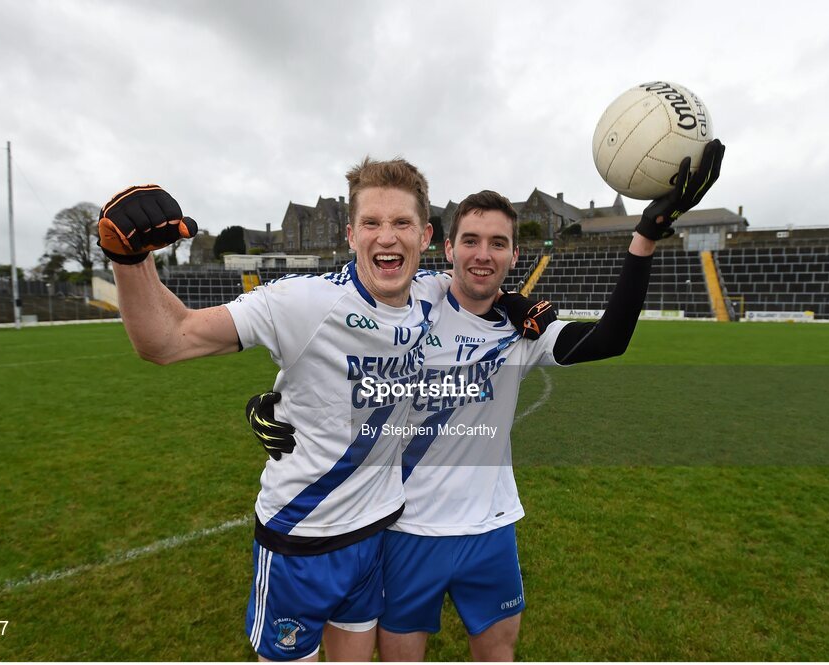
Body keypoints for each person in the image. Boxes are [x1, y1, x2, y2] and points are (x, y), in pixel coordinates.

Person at [247, 140, 726, 661]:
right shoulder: (412, 296)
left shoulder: (524, 330)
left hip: (491, 526)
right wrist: (279, 398)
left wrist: (645, 237)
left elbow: (610, 339)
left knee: (499, 652)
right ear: (446, 248)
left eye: (498, 243)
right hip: (407, 526)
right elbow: (329, 327)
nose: (483, 253)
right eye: (470, 240)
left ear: (514, 255)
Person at [98, 158, 457, 662]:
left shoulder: (435, 295)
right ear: (351, 235)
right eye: (373, 223)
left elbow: (484, 290)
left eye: (402, 223)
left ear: (424, 236)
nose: (387, 237)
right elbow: (168, 339)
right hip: (300, 539)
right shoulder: (301, 302)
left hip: (376, 534)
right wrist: (129, 257)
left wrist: (518, 307)